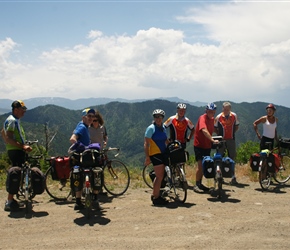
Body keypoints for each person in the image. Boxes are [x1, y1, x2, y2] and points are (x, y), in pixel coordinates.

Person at [2, 100, 32, 211]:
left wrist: (8, 143)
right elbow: (9, 137)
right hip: (16, 151)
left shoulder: (12, 120)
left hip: (14, 150)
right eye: (22, 110)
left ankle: (11, 200)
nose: (24, 112)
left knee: (18, 174)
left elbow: (2, 132)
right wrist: (22, 146)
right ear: (16, 110)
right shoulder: (13, 121)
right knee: (16, 175)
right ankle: (9, 201)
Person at [69, 108, 95, 210]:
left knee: (78, 176)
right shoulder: (82, 127)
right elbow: (72, 138)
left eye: (93, 116)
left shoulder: (83, 125)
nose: (91, 118)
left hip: (80, 156)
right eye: (89, 116)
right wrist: (79, 146)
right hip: (81, 157)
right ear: (83, 117)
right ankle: (93, 196)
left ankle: (78, 201)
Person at [144, 109, 169, 206]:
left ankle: (156, 194)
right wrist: (147, 157)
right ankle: (156, 198)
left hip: (162, 152)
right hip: (155, 153)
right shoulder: (151, 128)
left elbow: (165, 139)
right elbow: (146, 143)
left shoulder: (162, 127)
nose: (158, 118)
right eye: (156, 117)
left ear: (162, 118)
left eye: (160, 117)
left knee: (161, 175)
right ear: (154, 118)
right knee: (159, 176)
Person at [193, 103, 219, 193]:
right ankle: (196, 185)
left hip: (207, 145)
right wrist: (212, 140)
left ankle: (200, 184)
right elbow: (204, 130)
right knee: (200, 166)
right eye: (209, 111)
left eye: (212, 112)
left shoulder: (212, 120)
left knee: (206, 165)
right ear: (206, 111)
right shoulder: (202, 118)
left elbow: (214, 129)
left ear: (214, 112)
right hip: (199, 145)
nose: (210, 113)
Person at [214, 101, 239, 185]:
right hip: (221, 140)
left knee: (232, 158)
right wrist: (220, 135)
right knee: (219, 157)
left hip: (231, 140)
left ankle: (233, 176)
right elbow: (215, 128)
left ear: (230, 109)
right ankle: (219, 176)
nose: (226, 111)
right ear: (222, 109)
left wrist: (231, 133)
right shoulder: (218, 117)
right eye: (224, 109)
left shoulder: (234, 116)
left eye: (227, 109)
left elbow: (236, 126)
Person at [89, 110, 108, 196]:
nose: (95, 122)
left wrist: (105, 142)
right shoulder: (88, 128)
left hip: (100, 152)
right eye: (93, 120)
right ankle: (91, 188)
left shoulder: (102, 128)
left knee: (100, 170)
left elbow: (105, 136)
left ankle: (100, 188)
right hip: (91, 153)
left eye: (96, 120)